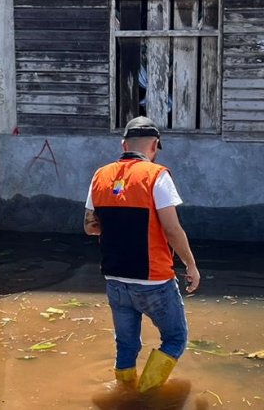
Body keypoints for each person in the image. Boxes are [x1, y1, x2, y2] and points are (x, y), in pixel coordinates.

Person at [84, 116, 200, 393]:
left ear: (124, 145)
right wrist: (191, 265)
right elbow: (172, 229)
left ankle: (124, 393)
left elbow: (90, 227)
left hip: (115, 279)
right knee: (175, 338)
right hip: (154, 281)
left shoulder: (100, 176)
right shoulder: (157, 175)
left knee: (126, 345)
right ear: (155, 146)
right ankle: (146, 394)